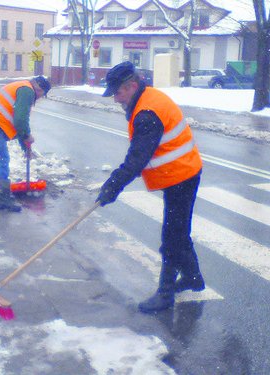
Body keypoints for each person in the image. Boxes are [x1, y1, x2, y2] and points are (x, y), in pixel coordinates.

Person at [96, 61, 204, 314]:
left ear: (132, 86)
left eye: (118, 93)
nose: (115, 99)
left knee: (172, 236)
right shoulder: (147, 98)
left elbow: (137, 158)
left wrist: (113, 186)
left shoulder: (147, 113)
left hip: (181, 176)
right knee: (178, 230)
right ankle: (193, 277)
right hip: (181, 172)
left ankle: (165, 294)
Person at [0, 76, 51, 212]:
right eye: (42, 95)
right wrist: (27, 136)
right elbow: (21, 120)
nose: (39, 98)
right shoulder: (27, 91)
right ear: (40, 90)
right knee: (0, 159)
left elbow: (19, 123)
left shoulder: (23, 87)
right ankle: (3, 199)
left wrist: (25, 147)